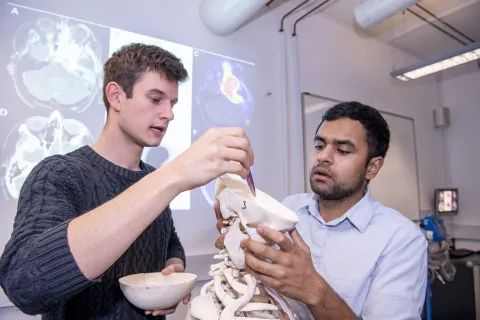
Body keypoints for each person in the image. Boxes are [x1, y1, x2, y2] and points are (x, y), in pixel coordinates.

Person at [0, 43, 254, 320]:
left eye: (172, 103)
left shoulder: (152, 178)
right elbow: (24, 285)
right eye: (156, 99)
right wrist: (175, 173)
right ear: (116, 96)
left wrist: (173, 268)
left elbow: (169, 242)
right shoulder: (59, 174)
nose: (169, 114)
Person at [214, 101, 428, 319]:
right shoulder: (290, 207)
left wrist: (314, 290)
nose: (323, 157)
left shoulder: (401, 239)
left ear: (372, 168)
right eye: (319, 146)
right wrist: (241, 242)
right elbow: (264, 286)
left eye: (343, 150)